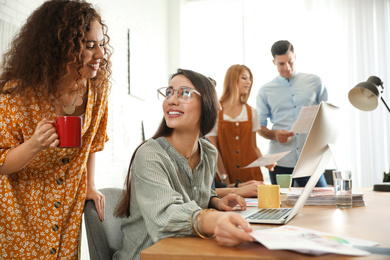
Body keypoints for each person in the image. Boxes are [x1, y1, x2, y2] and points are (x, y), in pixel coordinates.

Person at [0, 0, 112, 258]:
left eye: (102, 44)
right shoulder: (15, 95)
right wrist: (33, 145)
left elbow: (92, 143)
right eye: (89, 46)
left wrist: (90, 185)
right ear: (62, 47)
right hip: (20, 209)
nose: (100, 55)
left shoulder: (97, 90)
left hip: (67, 207)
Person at [113, 69, 254, 260]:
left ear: (208, 105)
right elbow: (166, 215)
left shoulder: (209, 151)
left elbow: (196, 193)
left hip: (187, 251)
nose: (171, 100)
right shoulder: (150, 154)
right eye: (169, 92)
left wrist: (215, 201)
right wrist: (211, 219)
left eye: (185, 93)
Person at [256, 40, 328, 187]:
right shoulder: (265, 91)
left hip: (309, 159)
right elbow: (260, 128)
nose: (287, 67)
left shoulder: (315, 82)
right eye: (281, 64)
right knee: (280, 207)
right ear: (273, 62)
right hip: (280, 161)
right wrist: (275, 134)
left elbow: (327, 116)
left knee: (322, 204)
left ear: (295, 57)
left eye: (290, 61)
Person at [207, 64, 275, 188]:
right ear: (232, 80)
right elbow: (213, 149)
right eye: (244, 78)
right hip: (225, 176)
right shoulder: (216, 111)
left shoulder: (252, 112)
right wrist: (224, 177)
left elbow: (254, 147)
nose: (249, 82)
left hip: (251, 177)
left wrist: (266, 162)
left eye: (250, 79)